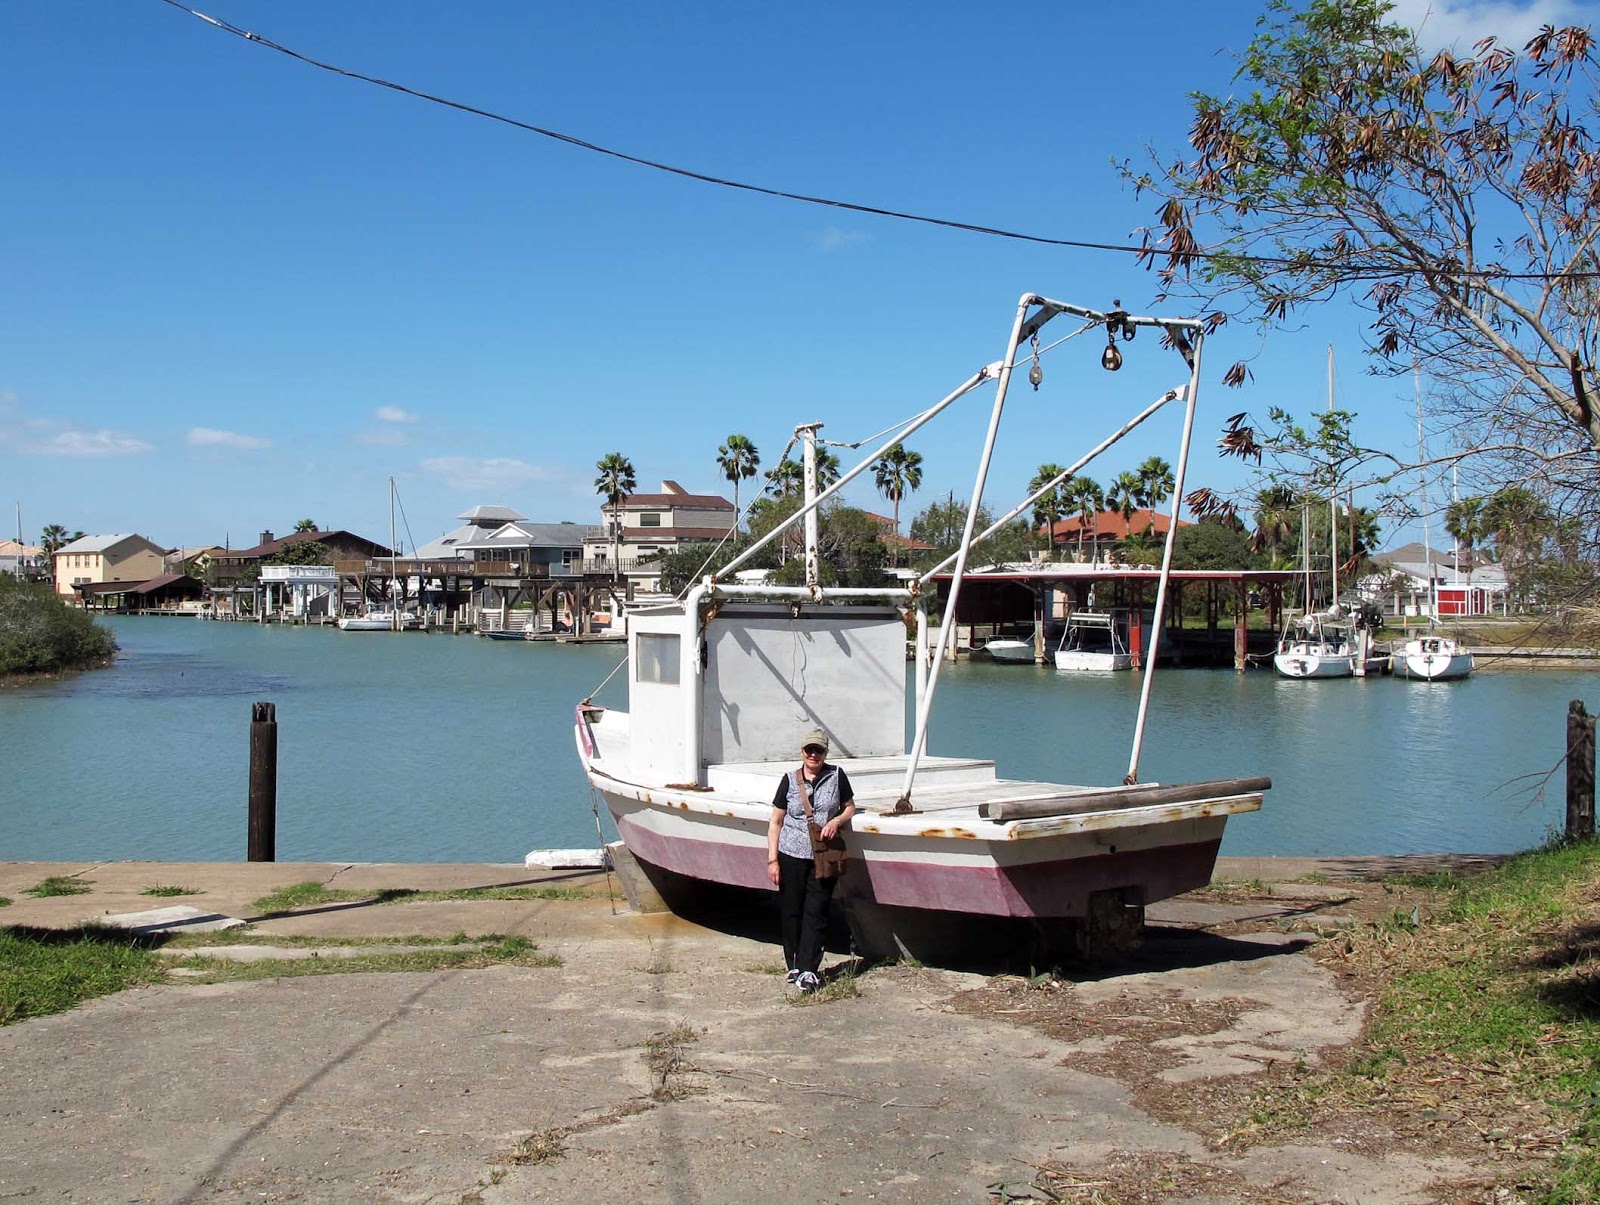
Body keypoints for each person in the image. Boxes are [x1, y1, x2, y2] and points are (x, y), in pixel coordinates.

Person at [767, 727, 855, 993]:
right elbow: (776, 821)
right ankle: (793, 963)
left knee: (816, 912)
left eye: (818, 750)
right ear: (802, 752)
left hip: (823, 856)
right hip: (791, 855)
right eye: (809, 750)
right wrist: (772, 860)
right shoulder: (789, 780)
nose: (813, 755)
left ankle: (808, 970)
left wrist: (836, 821)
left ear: (825, 753)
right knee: (792, 910)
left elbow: (849, 807)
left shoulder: (837, 775)